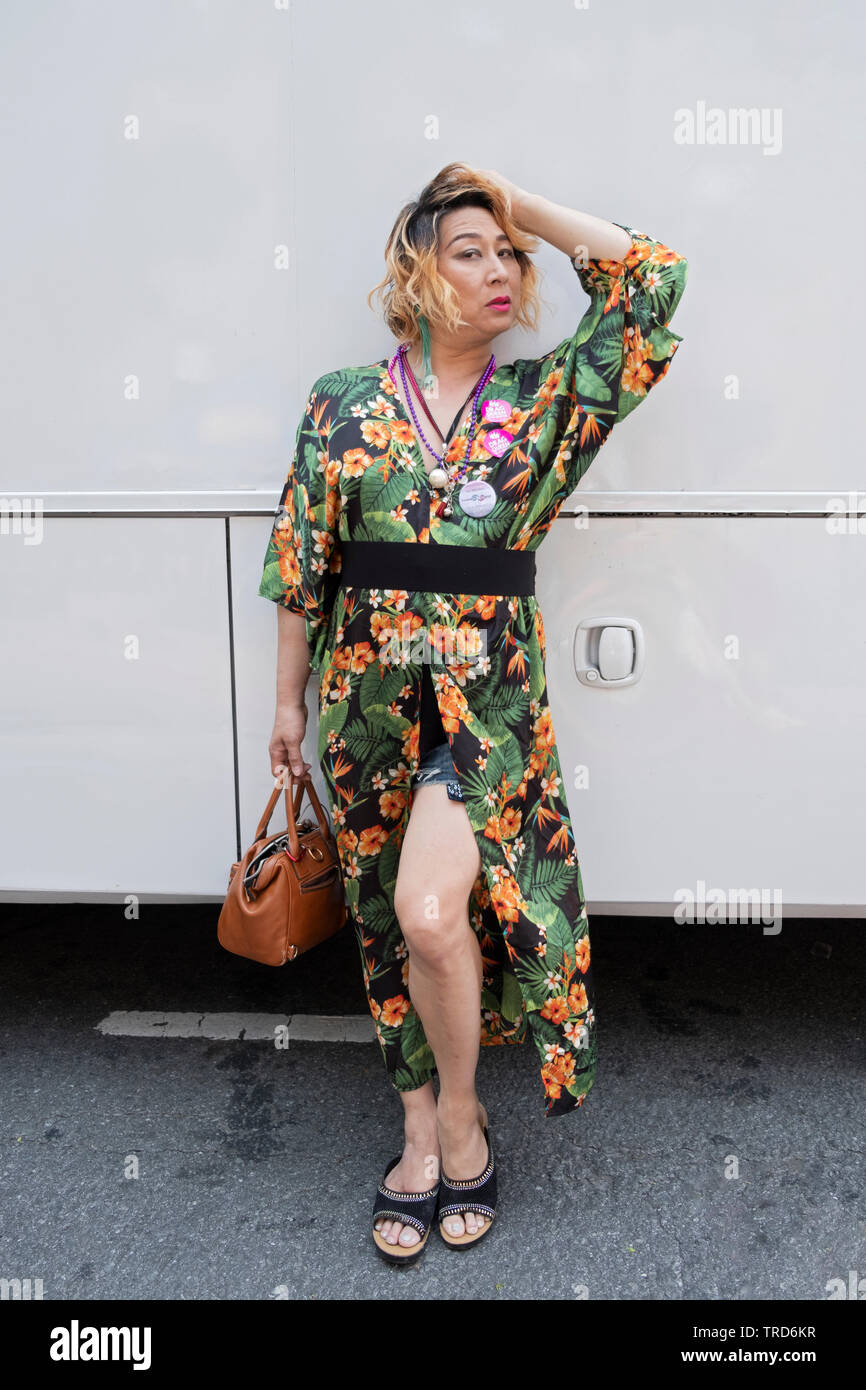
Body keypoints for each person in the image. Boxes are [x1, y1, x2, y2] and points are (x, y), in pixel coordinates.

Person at [259, 162, 688, 1262]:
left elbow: (652, 283)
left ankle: (457, 1117)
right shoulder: (341, 403)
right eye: (468, 249)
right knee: (381, 923)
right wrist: (283, 707)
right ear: (414, 271)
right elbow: (303, 566)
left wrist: (517, 200)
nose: (497, 269)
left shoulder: (542, 401)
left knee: (432, 914)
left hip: (482, 718)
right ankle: (416, 1117)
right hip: (363, 711)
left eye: (510, 257)